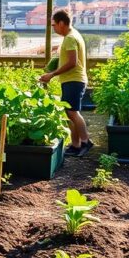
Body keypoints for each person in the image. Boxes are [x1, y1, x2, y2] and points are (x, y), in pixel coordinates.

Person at [39, 9, 92, 157]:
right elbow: (69, 59)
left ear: (62, 23)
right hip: (72, 80)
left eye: (54, 25)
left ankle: (86, 142)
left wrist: (52, 74)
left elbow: (73, 62)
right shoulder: (73, 35)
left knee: (72, 112)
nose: (53, 28)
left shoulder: (69, 38)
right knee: (70, 113)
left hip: (74, 80)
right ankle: (75, 145)